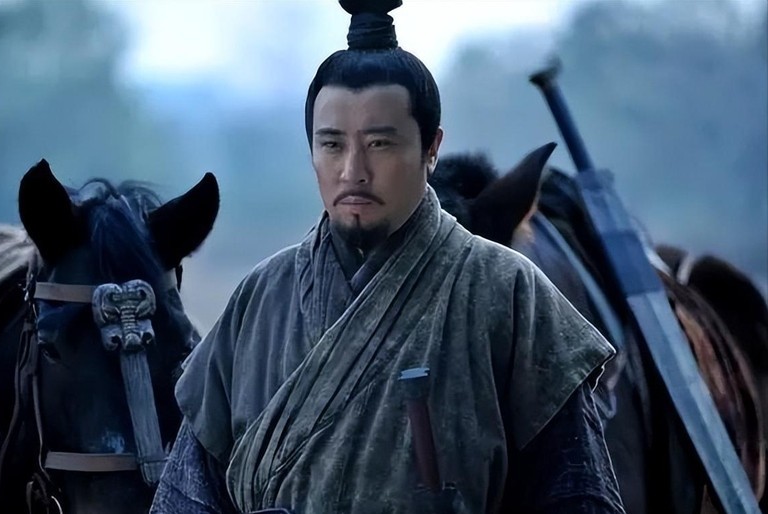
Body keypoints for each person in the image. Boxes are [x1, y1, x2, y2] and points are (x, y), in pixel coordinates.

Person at [150, 1, 626, 512]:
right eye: (332, 145)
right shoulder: (259, 299)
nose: (353, 171)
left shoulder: (509, 291)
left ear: (431, 148)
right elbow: (186, 498)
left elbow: (577, 497)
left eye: (379, 144)